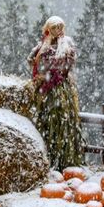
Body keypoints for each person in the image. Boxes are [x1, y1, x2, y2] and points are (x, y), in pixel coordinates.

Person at [28, 16, 85, 169]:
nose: (57, 30)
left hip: (60, 88)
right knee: (45, 119)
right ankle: (46, 157)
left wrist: (57, 73)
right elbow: (32, 60)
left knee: (62, 121)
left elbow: (69, 63)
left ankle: (64, 159)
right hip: (45, 88)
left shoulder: (66, 44)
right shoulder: (42, 45)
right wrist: (41, 74)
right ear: (48, 29)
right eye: (54, 27)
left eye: (60, 27)